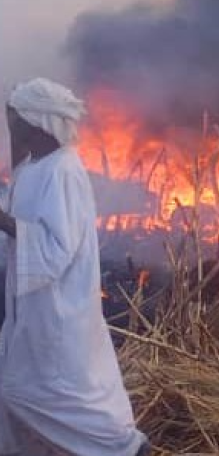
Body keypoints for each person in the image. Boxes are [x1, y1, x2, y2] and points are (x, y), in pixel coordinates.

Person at [0, 78, 148, 456]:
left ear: (37, 124)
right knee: (22, 384)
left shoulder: (63, 171)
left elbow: (56, 246)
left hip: (58, 304)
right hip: (33, 301)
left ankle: (121, 448)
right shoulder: (33, 166)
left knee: (53, 389)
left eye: (17, 120)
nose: (10, 127)